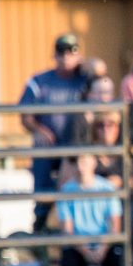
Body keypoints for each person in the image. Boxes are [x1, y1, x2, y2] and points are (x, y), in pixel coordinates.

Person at [19, 33, 88, 232]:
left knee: (77, 189)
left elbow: (101, 77)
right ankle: (40, 226)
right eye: (61, 52)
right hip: (49, 149)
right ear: (54, 55)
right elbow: (24, 115)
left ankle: (78, 230)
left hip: (76, 148)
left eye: (71, 51)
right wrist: (38, 130)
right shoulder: (39, 81)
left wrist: (89, 66)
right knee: (44, 188)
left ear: (78, 55)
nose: (66, 56)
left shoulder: (85, 79)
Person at [57, 152, 124, 266]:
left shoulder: (107, 189)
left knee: (119, 262)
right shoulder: (67, 191)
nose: (82, 166)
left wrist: (102, 248)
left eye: (86, 161)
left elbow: (114, 226)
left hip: (104, 244)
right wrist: (87, 251)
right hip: (79, 245)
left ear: (95, 163)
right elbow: (68, 230)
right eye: (79, 161)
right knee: (68, 262)